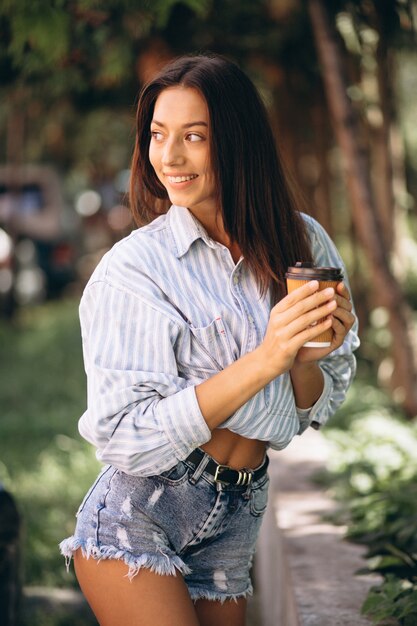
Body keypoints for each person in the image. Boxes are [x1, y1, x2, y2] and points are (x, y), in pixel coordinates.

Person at [60, 53, 359, 626]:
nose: (169, 157)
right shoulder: (136, 269)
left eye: (193, 136)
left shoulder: (303, 242)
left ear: (237, 141)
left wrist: (304, 363)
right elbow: (125, 436)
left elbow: (316, 404)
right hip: (144, 512)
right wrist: (268, 357)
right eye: (157, 134)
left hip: (240, 511)